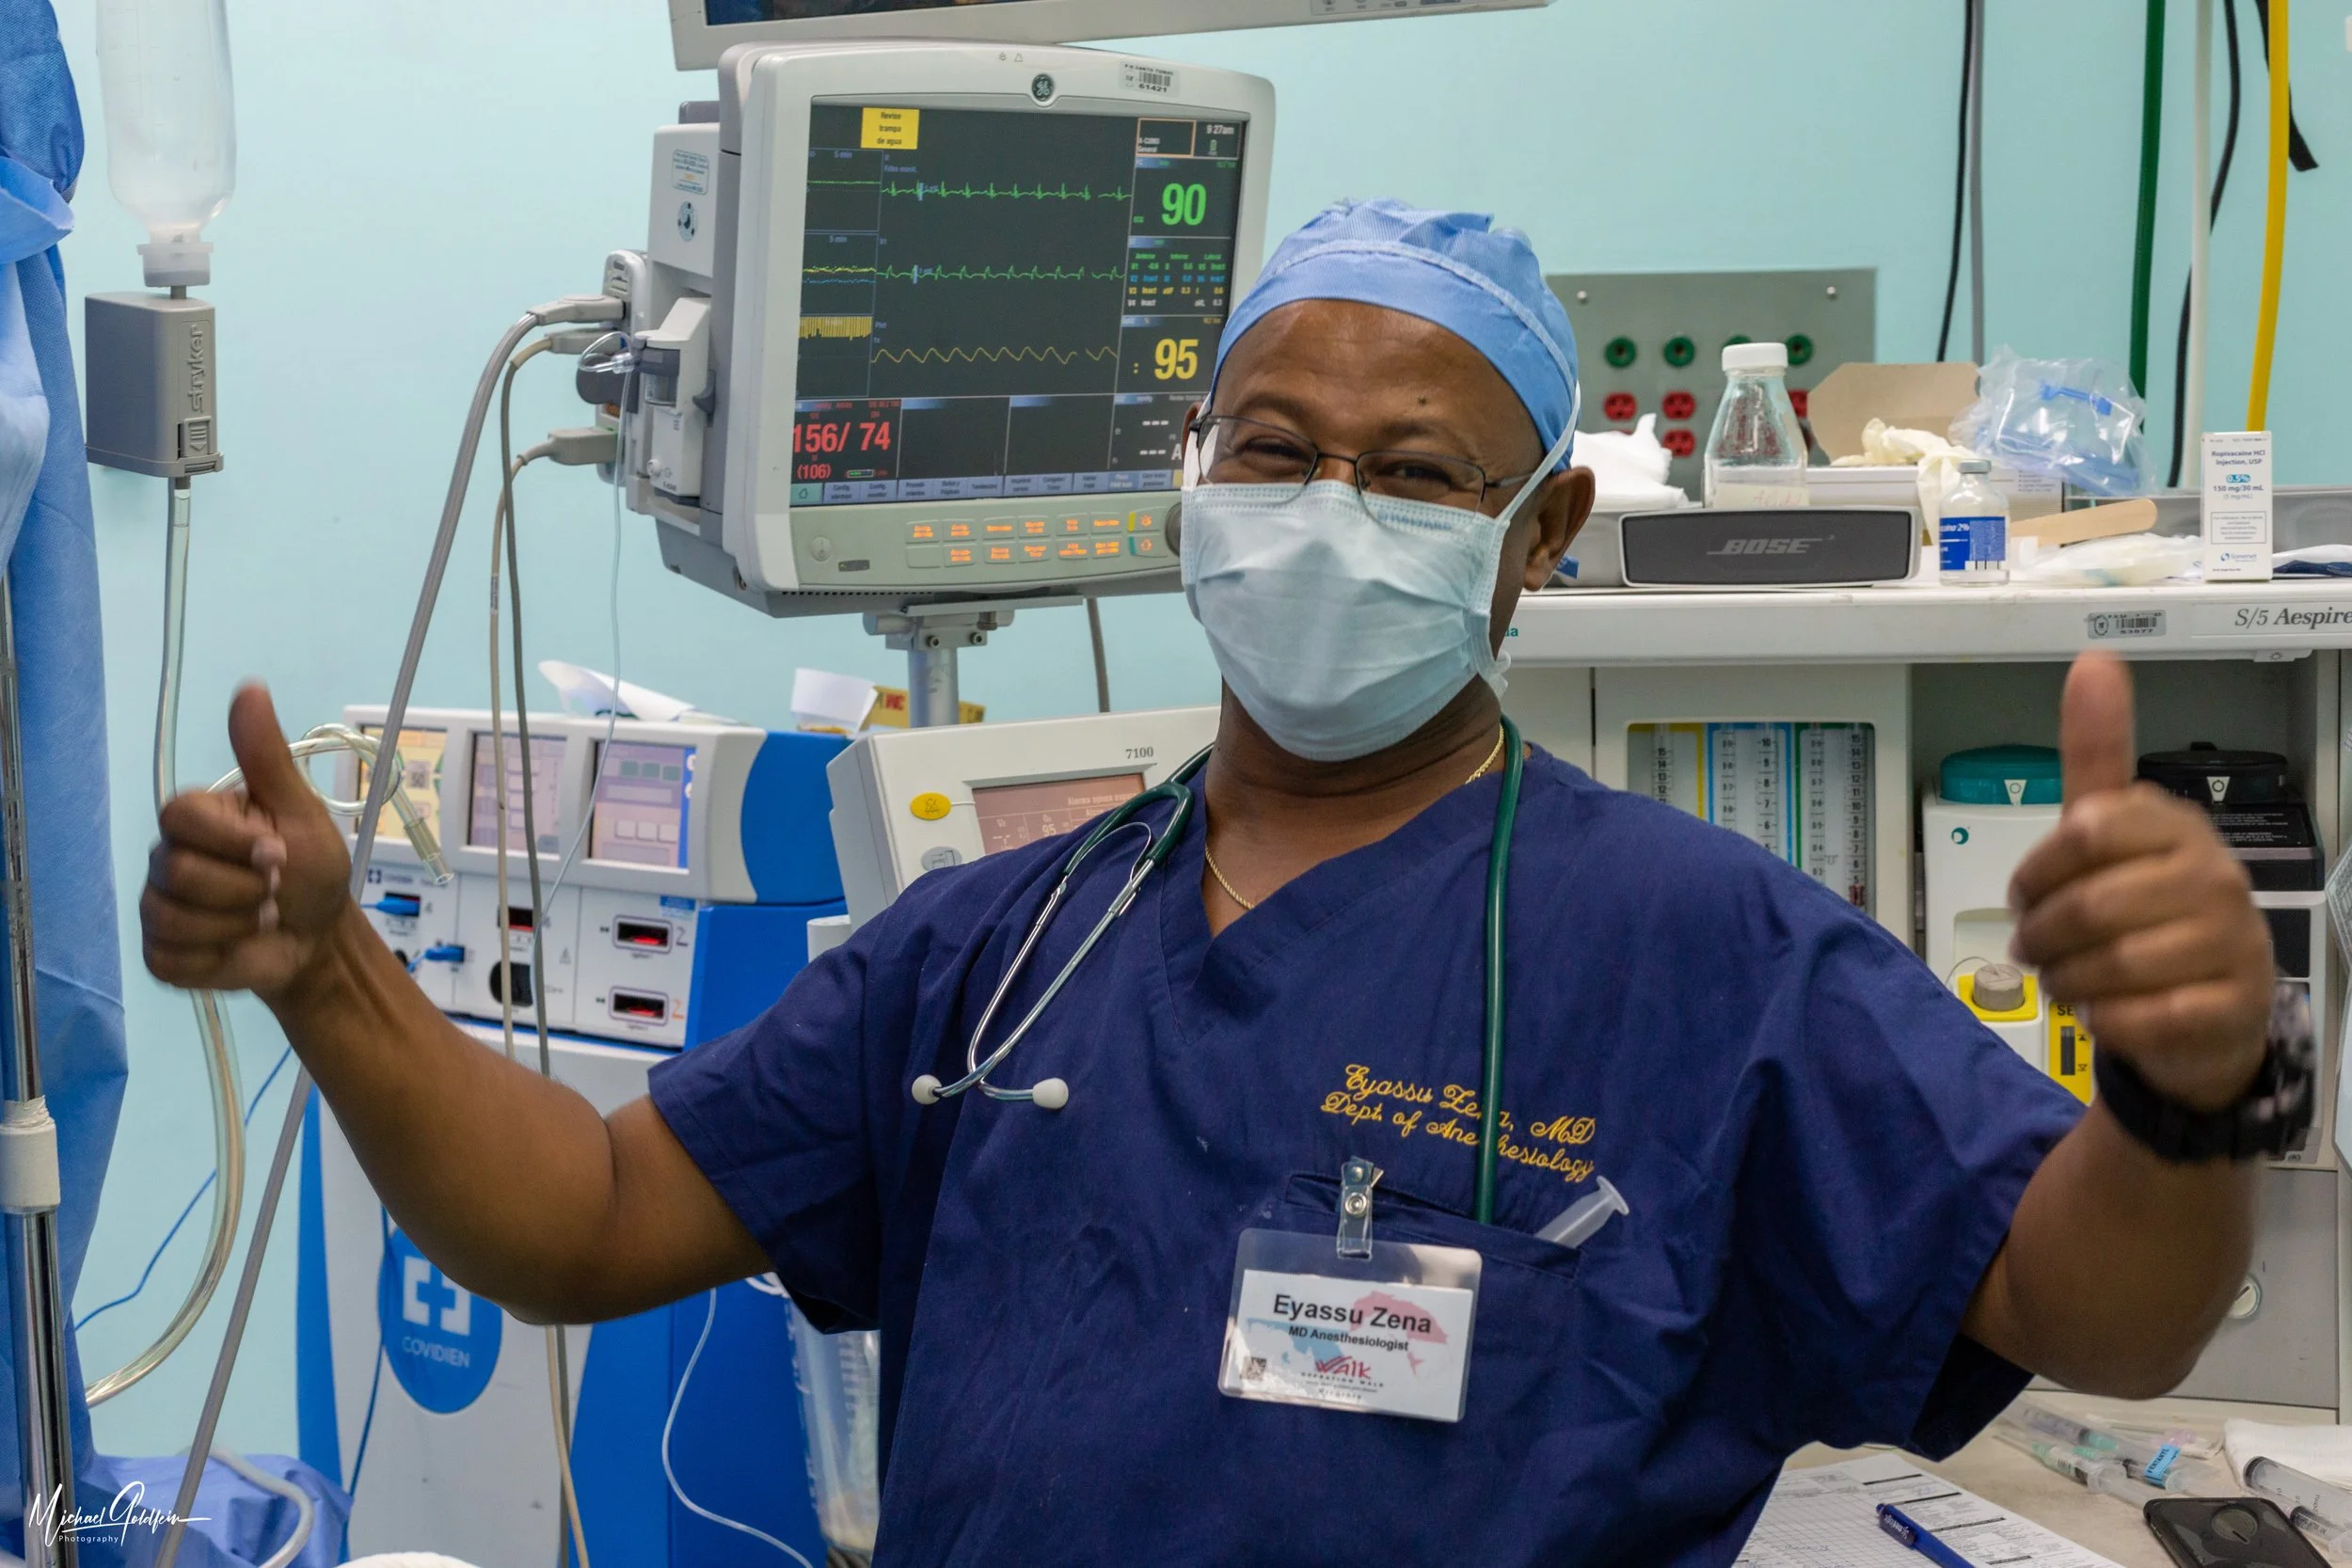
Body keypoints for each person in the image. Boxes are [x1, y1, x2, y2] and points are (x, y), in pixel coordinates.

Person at [141, 199, 2298, 1564]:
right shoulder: (1004, 943)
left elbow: (2097, 1312)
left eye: (1412, 474)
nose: (1322, 509)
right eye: (1268, 450)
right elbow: (585, 1216)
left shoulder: (1701, 953)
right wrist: (333, 975)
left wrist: (2190, 1082)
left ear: (1534, 540)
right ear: (1192, 479)